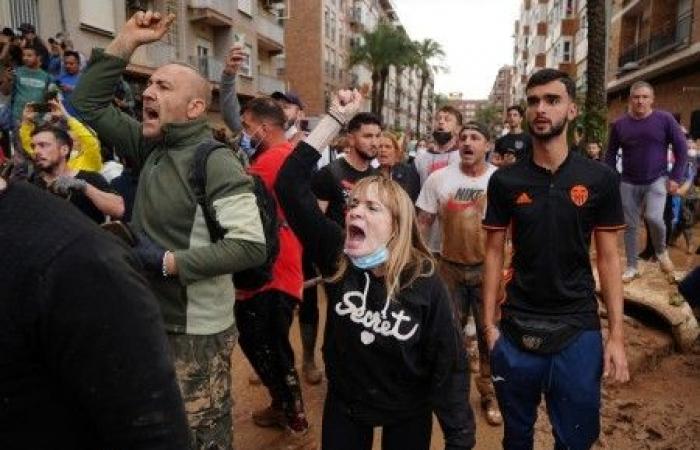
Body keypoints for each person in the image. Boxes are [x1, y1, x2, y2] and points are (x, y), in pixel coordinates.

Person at [71, 10, 267, 449]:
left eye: (163, 86)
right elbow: (85, 103)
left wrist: (168, 262)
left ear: (195, 107)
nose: (147, 92)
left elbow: (250, 245)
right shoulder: (151, 145)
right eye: (148, 84)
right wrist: (125, 41)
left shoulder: (213, 160)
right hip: (147, 315)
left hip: (194, 329)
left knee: (198, 437)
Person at [275, 89, 476, 450]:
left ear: (397, 225)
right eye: (352, 204)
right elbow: (288, 184)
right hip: (347, 405)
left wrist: (459, 438)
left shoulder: (426, 282)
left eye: (371, 208)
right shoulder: (336, 254)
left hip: (408, 409)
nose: (354, 212)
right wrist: (334, 119)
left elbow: (449, 363)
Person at [482, 68, 629, 450]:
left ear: (572, 109)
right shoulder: (505, 181)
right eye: (533, 101)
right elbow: (494, 252)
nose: (540, 109)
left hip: (577, 325)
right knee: (517, 438)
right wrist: (487, 325)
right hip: (515, 326)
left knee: (575, 441)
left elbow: (609, 258)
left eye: (552, 100)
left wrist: (616, 335)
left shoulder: (600, 179)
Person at [0, 176, 190, 449]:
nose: (37, 149)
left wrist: (169, 263)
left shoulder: (76, 259)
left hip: (190, 312)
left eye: (45, 144)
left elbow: (152, 431)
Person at [233, 97, 312, 441]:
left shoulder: (274, 161)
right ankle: (281, 405)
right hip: (269, 270)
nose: (243, 134)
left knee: (273, 349)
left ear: (264, 129)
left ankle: (297, 422)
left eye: (247, 128)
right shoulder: (273, 157)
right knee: (258, 344)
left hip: (273, 273)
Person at [416, 121, 502, 427]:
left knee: (488, 333)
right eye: (463, 137)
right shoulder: (439, 179)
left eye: (475, 138)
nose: (467, 142)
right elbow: (422, 224)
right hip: (448, 268)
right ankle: (454, 396)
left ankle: (489, 393)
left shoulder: (500, 180)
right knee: (449, 337)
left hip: (488, 272)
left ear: (488, 145)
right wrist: (415, 259)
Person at [606, 80, 687, 282]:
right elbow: (610, 153)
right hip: (628, 181)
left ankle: (660, 251)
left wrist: (676, 177)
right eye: (636, 97)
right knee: (630, 225)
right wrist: (612, 178)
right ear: (630, 100)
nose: (640, 101)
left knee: (653, 218)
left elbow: (681, 149)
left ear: (652, 100)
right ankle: (632, 266)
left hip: (657, 179)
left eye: (644, 97)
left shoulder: (665, 119)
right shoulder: (620, 124)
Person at [29, 124, 123, 223]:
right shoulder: (31, 186)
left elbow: (118, 209)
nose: (36, 151)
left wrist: (85, 188)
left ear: (64, 150)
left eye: (43, 145)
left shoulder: (90, 178)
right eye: (33, 146)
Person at [20, 98, 103, 172]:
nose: (68, 143)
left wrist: (66, 116)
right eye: (67, 140)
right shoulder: (53, 158)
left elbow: (91, 142)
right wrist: (26, 121)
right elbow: (30, 144)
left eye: (73, 141)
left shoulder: (90, 161)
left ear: (82, 145)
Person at [9, 46, 53, 127]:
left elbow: (51, 100)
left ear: (38, 57)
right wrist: (7, 79)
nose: (25, 58)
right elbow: (6, 92)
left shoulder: (47, 77)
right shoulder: (17, 72)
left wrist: (44, 118)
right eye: (23, 55)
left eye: (29, 55)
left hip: (37, 120)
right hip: (18, 117)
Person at [377, 130, 420, 202]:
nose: (383, 150)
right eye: (380, 146)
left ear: (396, 151)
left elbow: (414, 197)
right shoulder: (371, 172)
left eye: (388, 147)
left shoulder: (408, 171)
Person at [55, 50, 82, 116]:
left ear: (78, 64)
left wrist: (71, 89)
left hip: (79, 117)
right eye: (66, 63)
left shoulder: (84, 78)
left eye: (71, 64)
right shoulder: (59, 78)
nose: (68, 66)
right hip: (62, 115)